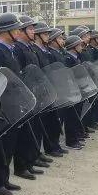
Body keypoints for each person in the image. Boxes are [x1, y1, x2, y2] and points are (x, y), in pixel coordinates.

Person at [0, 13, 26, 191]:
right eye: (16, 29)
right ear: (6, 31)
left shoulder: (11, 50)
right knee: (1, 146)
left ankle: (4, 179)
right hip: (3, 106)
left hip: (13, 104)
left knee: (10, 144)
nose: (19, 32)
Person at [11, 15, 48, 177]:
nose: (34, 31)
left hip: (35, 93)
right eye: (30, 29)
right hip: (25, 96)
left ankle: (31, 160)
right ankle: (22, 166)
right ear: (22, 31)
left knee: (33, 130)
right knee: (25, 133)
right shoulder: (18, 49)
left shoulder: (29, 47)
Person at [33, 23, 68, 158]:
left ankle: (53, 146)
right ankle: (49, 148)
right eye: (45, 34)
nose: (47, 36)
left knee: (54, 121)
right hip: (44, 92)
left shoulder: (47, 51)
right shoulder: (39, 51)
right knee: (46, 123)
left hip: (54, 89)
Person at [63, 35, 87, 149]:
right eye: (79, 45)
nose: (81, 47)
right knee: (71, 117)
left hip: (78, 90)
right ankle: (71, 141)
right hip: (72, 91)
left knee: (76, 115)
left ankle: (76, 137)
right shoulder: (67, 58)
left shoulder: (76, 57)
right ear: (73, 46)